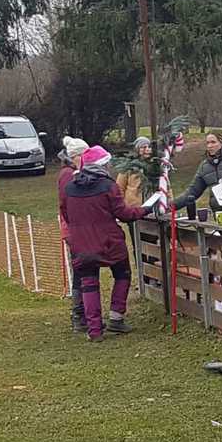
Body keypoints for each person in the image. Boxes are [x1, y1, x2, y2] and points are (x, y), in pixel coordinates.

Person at [60, 146, 153, 341]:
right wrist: (144, 209)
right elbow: (123, 213)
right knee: (123, 274)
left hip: (81, 244)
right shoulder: (108, 186)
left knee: (88, 283)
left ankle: (94, 330)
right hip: (109, 242)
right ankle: (116, 318)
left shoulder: (69, 188)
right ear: (103, 165)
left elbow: (66, 213)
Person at [57, 135, 89, 332]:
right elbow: (67, 203)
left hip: (76, 228)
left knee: (82, 270)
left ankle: (82, 313)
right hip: (74, 230)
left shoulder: (71, 172)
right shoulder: (68, 175)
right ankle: (79, 314)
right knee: (80, 271)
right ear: (76, 156)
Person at [116, 136, 153, 206]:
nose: (147, 149)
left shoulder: (154, 166)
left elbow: (165, 186)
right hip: (133, 207)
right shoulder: (128, 167)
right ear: (137, 149)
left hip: (151, 206)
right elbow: (119, 188)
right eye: (143, 147)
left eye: (149, 147)